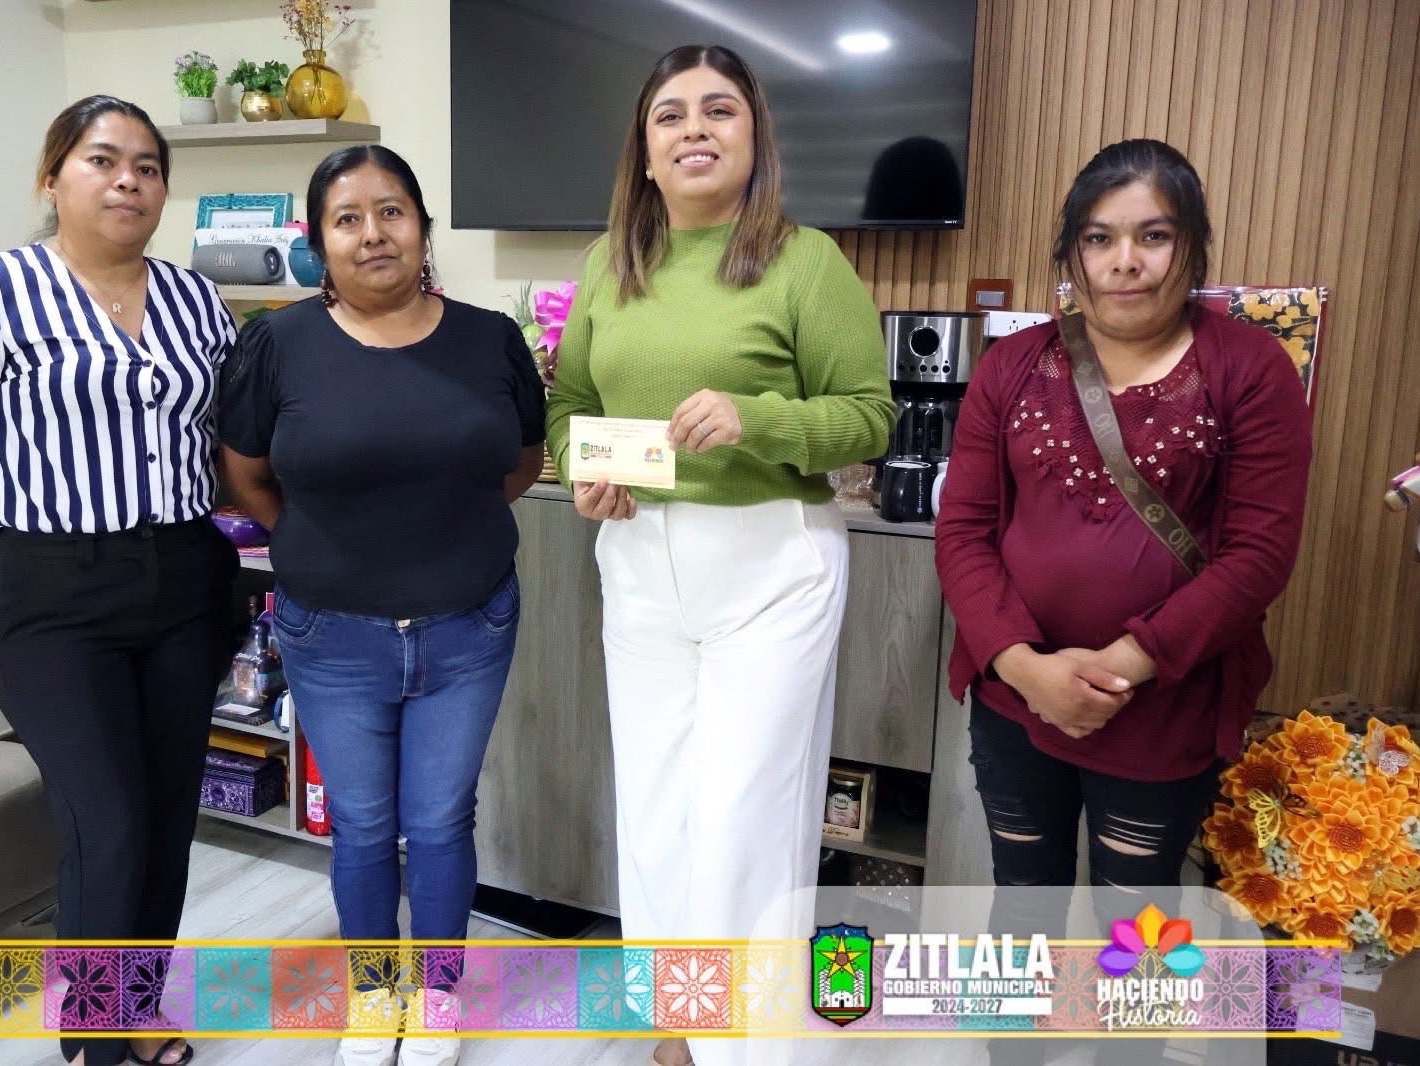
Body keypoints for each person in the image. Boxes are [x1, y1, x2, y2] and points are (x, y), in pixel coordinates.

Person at [545, 44, 895, 1066]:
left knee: (748, 809)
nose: (694, 129)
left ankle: (752, 1044)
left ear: (754, 136)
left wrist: (758, 418)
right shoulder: (608, 264)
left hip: (769, 564)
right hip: (637, 556)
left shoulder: (805, 261)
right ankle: (682, 1021)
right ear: (644, 149)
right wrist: (584, 468)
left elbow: (868, 418)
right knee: (656, 803)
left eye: (718, 110)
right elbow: (570, 406)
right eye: (671, 115)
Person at [935, 139, 1312, 1065]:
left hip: (1163, 702)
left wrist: (1126, 664)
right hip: (1017, 700)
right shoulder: (1012, 365)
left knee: (1140, 925)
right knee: (1021, 899)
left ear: (1192, 246)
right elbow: (964, 531)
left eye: (1153, 235)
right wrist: (1023, 666)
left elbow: (1260, 554)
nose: (1125, 261)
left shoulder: (1249, 367)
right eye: (1100, 238)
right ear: (1073, 252)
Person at [0, 95, 240, 1066]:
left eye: (148, 166)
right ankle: (92, 1037)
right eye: (102, 159)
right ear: (53, 179)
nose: (129, 180)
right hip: (58, 599)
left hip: (185, 579)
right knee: (106, 820)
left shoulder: (197, 300)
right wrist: (18, 535)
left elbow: (220, 437)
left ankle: (135, 1008)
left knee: (165, 818)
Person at [217, 144, 545, 1066]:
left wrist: (440, 529)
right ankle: (373, 994)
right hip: (329, 631)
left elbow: (520, 462)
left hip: (469, 623)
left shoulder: (490, 340)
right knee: (360, 823)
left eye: (392, 211)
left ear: (423, 228)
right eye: (348, 218)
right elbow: (245, 474)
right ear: (320, 241)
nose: (373, 233)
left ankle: (435, 996)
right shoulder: (277, 344)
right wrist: (320, 542)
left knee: (440, 819)